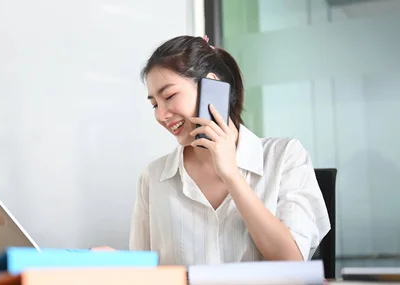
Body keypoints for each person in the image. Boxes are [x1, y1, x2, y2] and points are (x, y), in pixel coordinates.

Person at [93, 35, 331, 265]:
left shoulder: (285, 157)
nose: (161, 115)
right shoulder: (154, 178)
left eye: (169, 96)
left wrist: (231, 174)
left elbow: (291, 262)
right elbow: (147, 275)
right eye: (154, 104)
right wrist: (119, 263)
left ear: (212, 87)